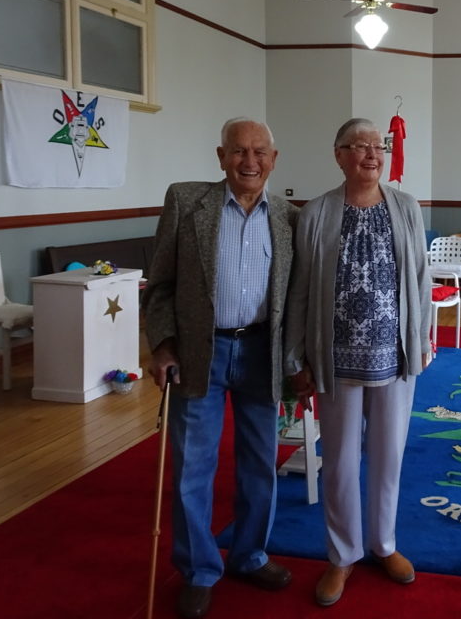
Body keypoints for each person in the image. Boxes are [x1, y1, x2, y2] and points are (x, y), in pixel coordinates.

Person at [143, 118, 298, 619]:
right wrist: (163, 345)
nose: (249, 161)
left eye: (259, 152)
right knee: (193, 466)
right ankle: (198, 571)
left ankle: (250, 556)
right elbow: (161, 285)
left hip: (261, 353)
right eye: (238, 151)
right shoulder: (186, 202)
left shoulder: (290, 217)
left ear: (274, 159)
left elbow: (297, 297)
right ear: (220, 155)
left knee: (259, 464)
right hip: (198, 353)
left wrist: (300, 360)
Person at [284, 117, 431, 607]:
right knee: (341, 462)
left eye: (378, 146)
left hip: (394, 355)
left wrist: (422, 338)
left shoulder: (406, 207)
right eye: (360, 146)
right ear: (339, 155)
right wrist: (296, 356)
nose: (372, 154)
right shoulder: (317, 212)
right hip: (335, 359)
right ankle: (343, 554)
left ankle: (384, 544)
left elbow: (421, 277)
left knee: (389, 456)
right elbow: (300, 290)